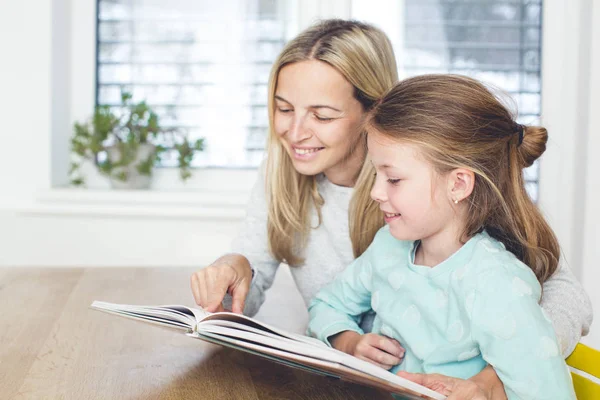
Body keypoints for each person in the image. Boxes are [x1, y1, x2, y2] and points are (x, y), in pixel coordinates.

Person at [190, 19, 592, 399]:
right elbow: (265, 290)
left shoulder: (441, 186)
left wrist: (498, 376)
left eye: (322, 115)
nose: (295, 133)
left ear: (373, 110)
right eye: (283, 108)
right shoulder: (368, 225)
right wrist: (233, 268)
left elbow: (561, 300)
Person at [308, 74, 577, 399]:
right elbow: (326, 305)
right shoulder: (389, 248)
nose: (376, 192)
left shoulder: (497, 283)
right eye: (375, 174)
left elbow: (549, 393)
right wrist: (349, 342)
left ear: (459, 184)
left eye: (393, 179)